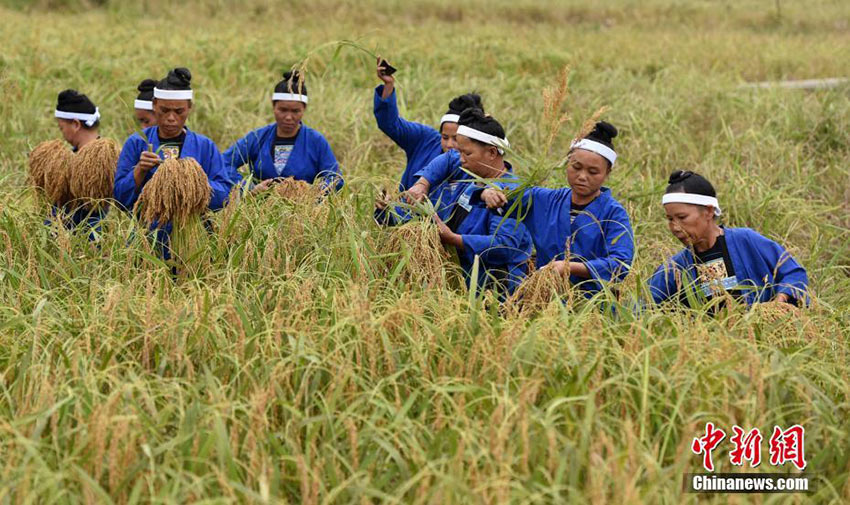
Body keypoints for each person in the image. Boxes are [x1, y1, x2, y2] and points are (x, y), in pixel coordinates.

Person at [385, 108, 532, 297]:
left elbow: (504, 247)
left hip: (494, 291)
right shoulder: (471, 171)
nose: (460, 159)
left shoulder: (509, 193)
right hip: (461, 283)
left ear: (492, 152)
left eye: (466, 153)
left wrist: (454, 240)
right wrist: (422, 183)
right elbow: (448, 159)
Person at [476, 121, 634, 296]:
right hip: (542, 297)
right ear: (567, 163)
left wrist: (569, 267)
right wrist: (488, 192)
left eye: (593, 172)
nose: (582, 176)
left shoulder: (613, 214)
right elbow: (506, 195)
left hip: (591, 303)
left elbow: (621, 264)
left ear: (607, 173)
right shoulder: (545, 199)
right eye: (576, 167)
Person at [114, 67, 237, 256]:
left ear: (189, 108)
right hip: (147, 241)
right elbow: (120, 199)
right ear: (154, 105)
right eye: (164, 110)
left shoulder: (204, 146)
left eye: (179, 111)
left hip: (194, 242)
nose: (171, 118)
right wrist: (139, 171)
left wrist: (192, 183)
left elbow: (224, 195)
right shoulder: (137, 143)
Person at [648, 170, 809, 307]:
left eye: (682, 217)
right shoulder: (676, 267)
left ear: (709, 212)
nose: (675, 227)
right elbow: (643, 305)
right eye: (670, 219)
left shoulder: (746, 241)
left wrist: (779, 303)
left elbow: (794, 273)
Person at [222, 70, 343, 194]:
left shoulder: (316, 141)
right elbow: (224, 163)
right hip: (259, 208)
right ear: (274, 107)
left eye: (295, 111)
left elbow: (335, 178)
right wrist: (249, 188)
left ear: (304, 109)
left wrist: (310, 193)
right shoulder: (258, 137)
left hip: (301, 210)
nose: (288, 117)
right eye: (283, 110)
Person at [373, 56, 480, 194]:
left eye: (457, 139)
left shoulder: (476, 167)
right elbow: (390, 124)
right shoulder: (425, 139)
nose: (449, 144)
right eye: (445, 137)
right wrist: (388, 85)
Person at [52, 89, 107, 237]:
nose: (62, 134)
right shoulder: (69, 157)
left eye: (61, 128)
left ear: (76, 124)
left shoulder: (106, 159)